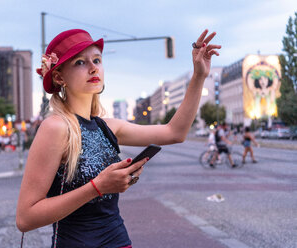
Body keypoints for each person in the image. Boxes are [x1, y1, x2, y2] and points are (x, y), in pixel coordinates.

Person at [16, 28, 221, 248]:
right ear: (58, 76)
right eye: (80, 62)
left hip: (119, 242)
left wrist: (199, 75)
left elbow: (175, 132)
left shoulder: (108, 127)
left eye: (97, 60)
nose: (94, 67)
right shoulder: (56, 128)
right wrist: (98, 187)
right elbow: (26, 218)